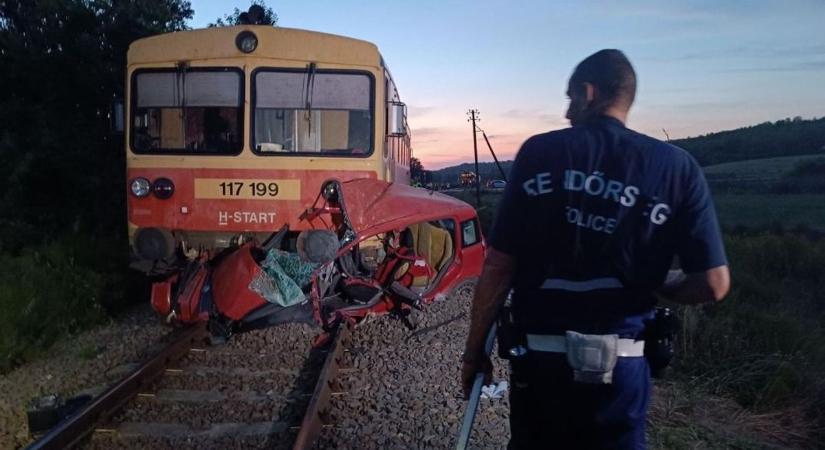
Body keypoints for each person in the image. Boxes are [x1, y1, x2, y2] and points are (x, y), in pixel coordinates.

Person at [460, 49, 730, 449]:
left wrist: (473, 353)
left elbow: (499, 266)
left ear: (588, 93)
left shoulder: (539, 153)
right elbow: (714, 284)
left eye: (570, 99)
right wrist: (659, 284)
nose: (568, 113)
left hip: (542, 366)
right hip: (622, 371)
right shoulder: (677, 167)